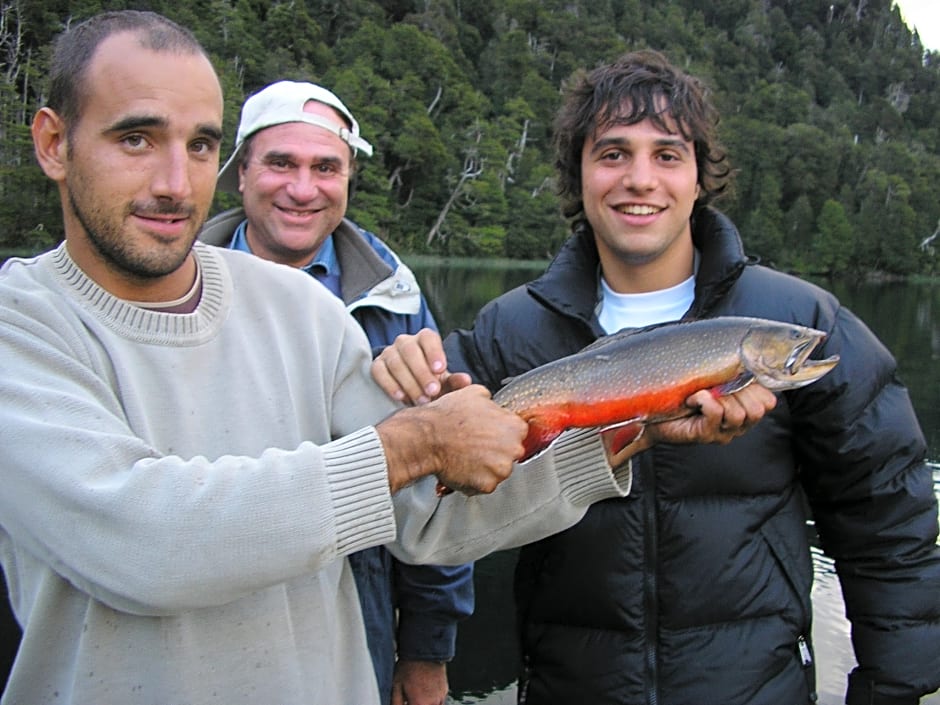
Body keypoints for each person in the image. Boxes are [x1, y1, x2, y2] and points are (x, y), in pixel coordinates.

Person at [0, 15, 771, 705]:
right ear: (53, 143)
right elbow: (141, 540)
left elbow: (431, 518)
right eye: (136, 138)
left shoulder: (304, 310)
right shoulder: (21, 327)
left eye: (199, 143)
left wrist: (626, 429)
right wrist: (410, 444)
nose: (175, 182)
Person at [372, 50, 940, 705]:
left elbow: (889, 528)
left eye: (667, 155)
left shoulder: (803, 322)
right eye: (613, 153)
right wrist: (405, 382)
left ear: (700, 177)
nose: (640, 179)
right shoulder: (506, 330)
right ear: (580, 174)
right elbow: (421, 497)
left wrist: (892, 688)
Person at [198, 79, 474, 705]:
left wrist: (426, 649)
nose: (303, 189)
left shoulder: (394, 303)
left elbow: (439, 488)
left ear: (348, 178)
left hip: (355, 618)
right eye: (281, 163)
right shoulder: (173, 287)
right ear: (241, 174)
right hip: (201, 615)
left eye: (326, 168)